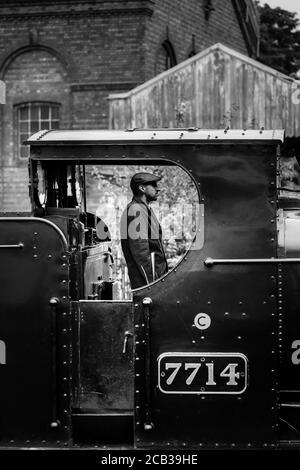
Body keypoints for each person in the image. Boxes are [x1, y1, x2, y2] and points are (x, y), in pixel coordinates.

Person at [120, 172, 168, 289]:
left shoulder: (143, 208)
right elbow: (140, 251)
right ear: (142, 188)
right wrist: (151, 286)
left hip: (155, 279)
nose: (158, 189)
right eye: (154, 185)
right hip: (148, 283)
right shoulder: (136, 210)